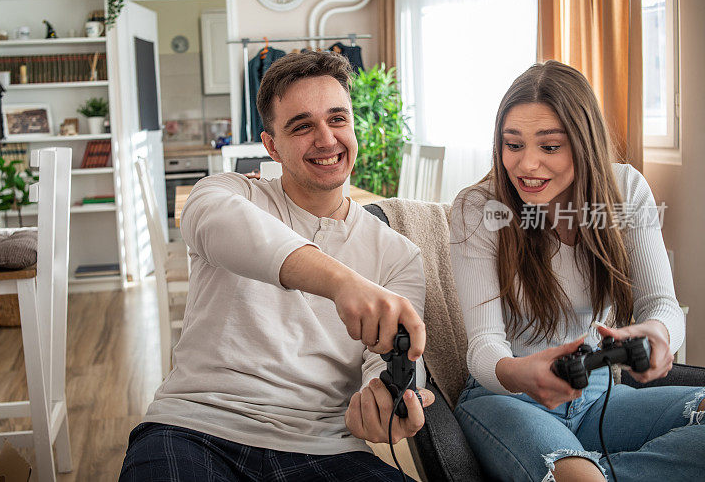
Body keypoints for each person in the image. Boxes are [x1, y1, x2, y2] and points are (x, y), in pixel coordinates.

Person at [119, 50, 435, 481]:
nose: (326, 139)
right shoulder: (230, 195)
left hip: (324, 446)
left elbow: (386, 360)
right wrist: (343, 284)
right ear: (271, 146)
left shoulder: (399, 255)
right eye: (302, 126)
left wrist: (384, 396)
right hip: (194, 429)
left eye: (338, 119)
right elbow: (213, 219)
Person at [449, 60, 704, 481]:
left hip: (598, 397)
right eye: (513, 145)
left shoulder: (627, 192)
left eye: (549, 147)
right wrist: (519, 372)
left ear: (584, 143)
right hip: (507, 398)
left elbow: (661, 304)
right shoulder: (479, 208)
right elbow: (483, 345)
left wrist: (659, 334)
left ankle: (601, 473)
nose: (527, 165)